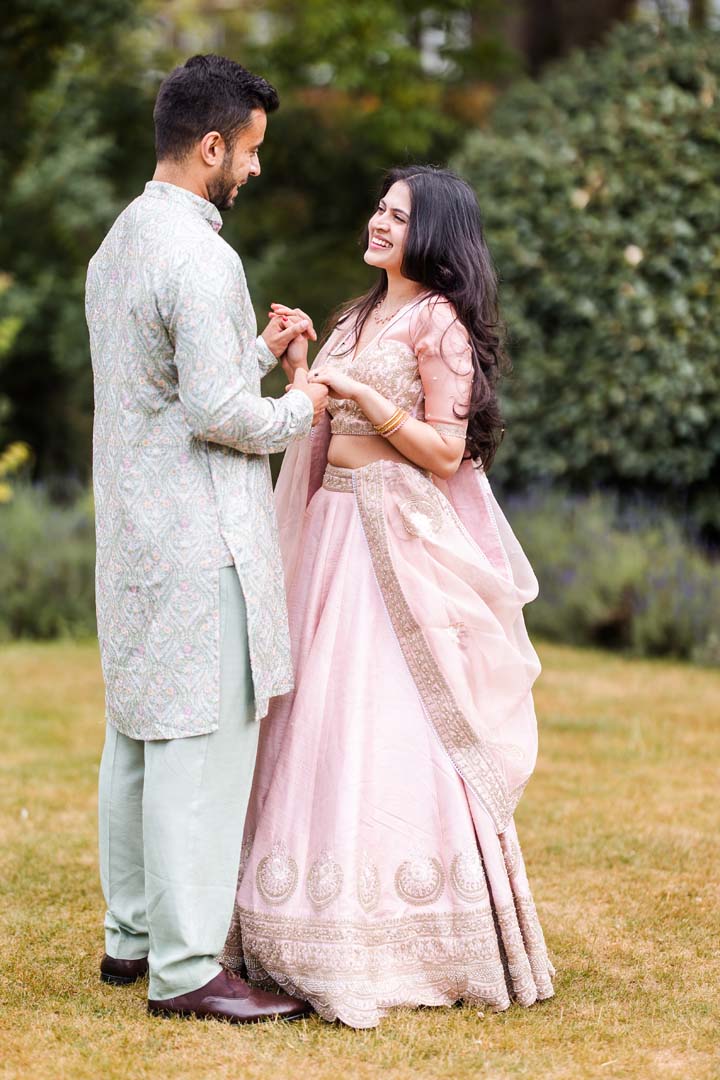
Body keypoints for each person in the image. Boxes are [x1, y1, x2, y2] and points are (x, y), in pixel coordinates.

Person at [220, 166, 555, 1028]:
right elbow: (321, 419)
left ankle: (399, 935)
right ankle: (288, 927)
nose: (377, 221)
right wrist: (301, 359)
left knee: (381, 716)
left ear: (434, 232)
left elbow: (447, 454)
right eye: (377, 206)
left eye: (396, 215)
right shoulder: (358, 315)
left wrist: (365, 392)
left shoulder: (436, 320)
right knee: (315, 716)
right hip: (332, 531)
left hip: (390, 542)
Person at [85, 54, 327, 1023]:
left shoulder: (121, 242)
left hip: (136, 536)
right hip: (201, 540)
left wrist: (257, 353)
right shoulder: (203, 255)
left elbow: (169, 380)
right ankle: (188, 972)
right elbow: (222, 414)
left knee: (137, 740)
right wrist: (301, 398)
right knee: (199, 750)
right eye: (252, 152)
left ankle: (130, 939)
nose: (256, 171)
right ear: (213, 145)